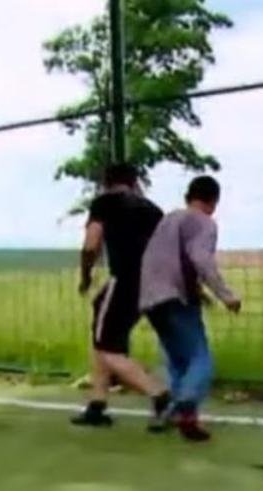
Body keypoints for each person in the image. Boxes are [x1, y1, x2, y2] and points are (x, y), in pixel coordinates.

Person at [140, 176, 241, 442]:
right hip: (176, 298)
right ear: (214, 201)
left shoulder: (169, 219)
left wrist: (199, 292)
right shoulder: (203, 221)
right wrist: (226, 295)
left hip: (150, 298)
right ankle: (182, 405)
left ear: (188, 195)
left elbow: (167, 260)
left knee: (176, 361)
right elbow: (200, 258)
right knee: (200, 359)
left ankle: (183, 417)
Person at [72, 164, 171, 429]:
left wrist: (85, 275)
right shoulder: (151, 209)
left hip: (125, 280)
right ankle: (97, 403)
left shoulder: (104, 203)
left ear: (106, 182)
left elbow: (91, 244)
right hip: (150, 283)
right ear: (134, 181)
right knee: (102, 329)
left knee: (107, 348)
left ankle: (159, 394)